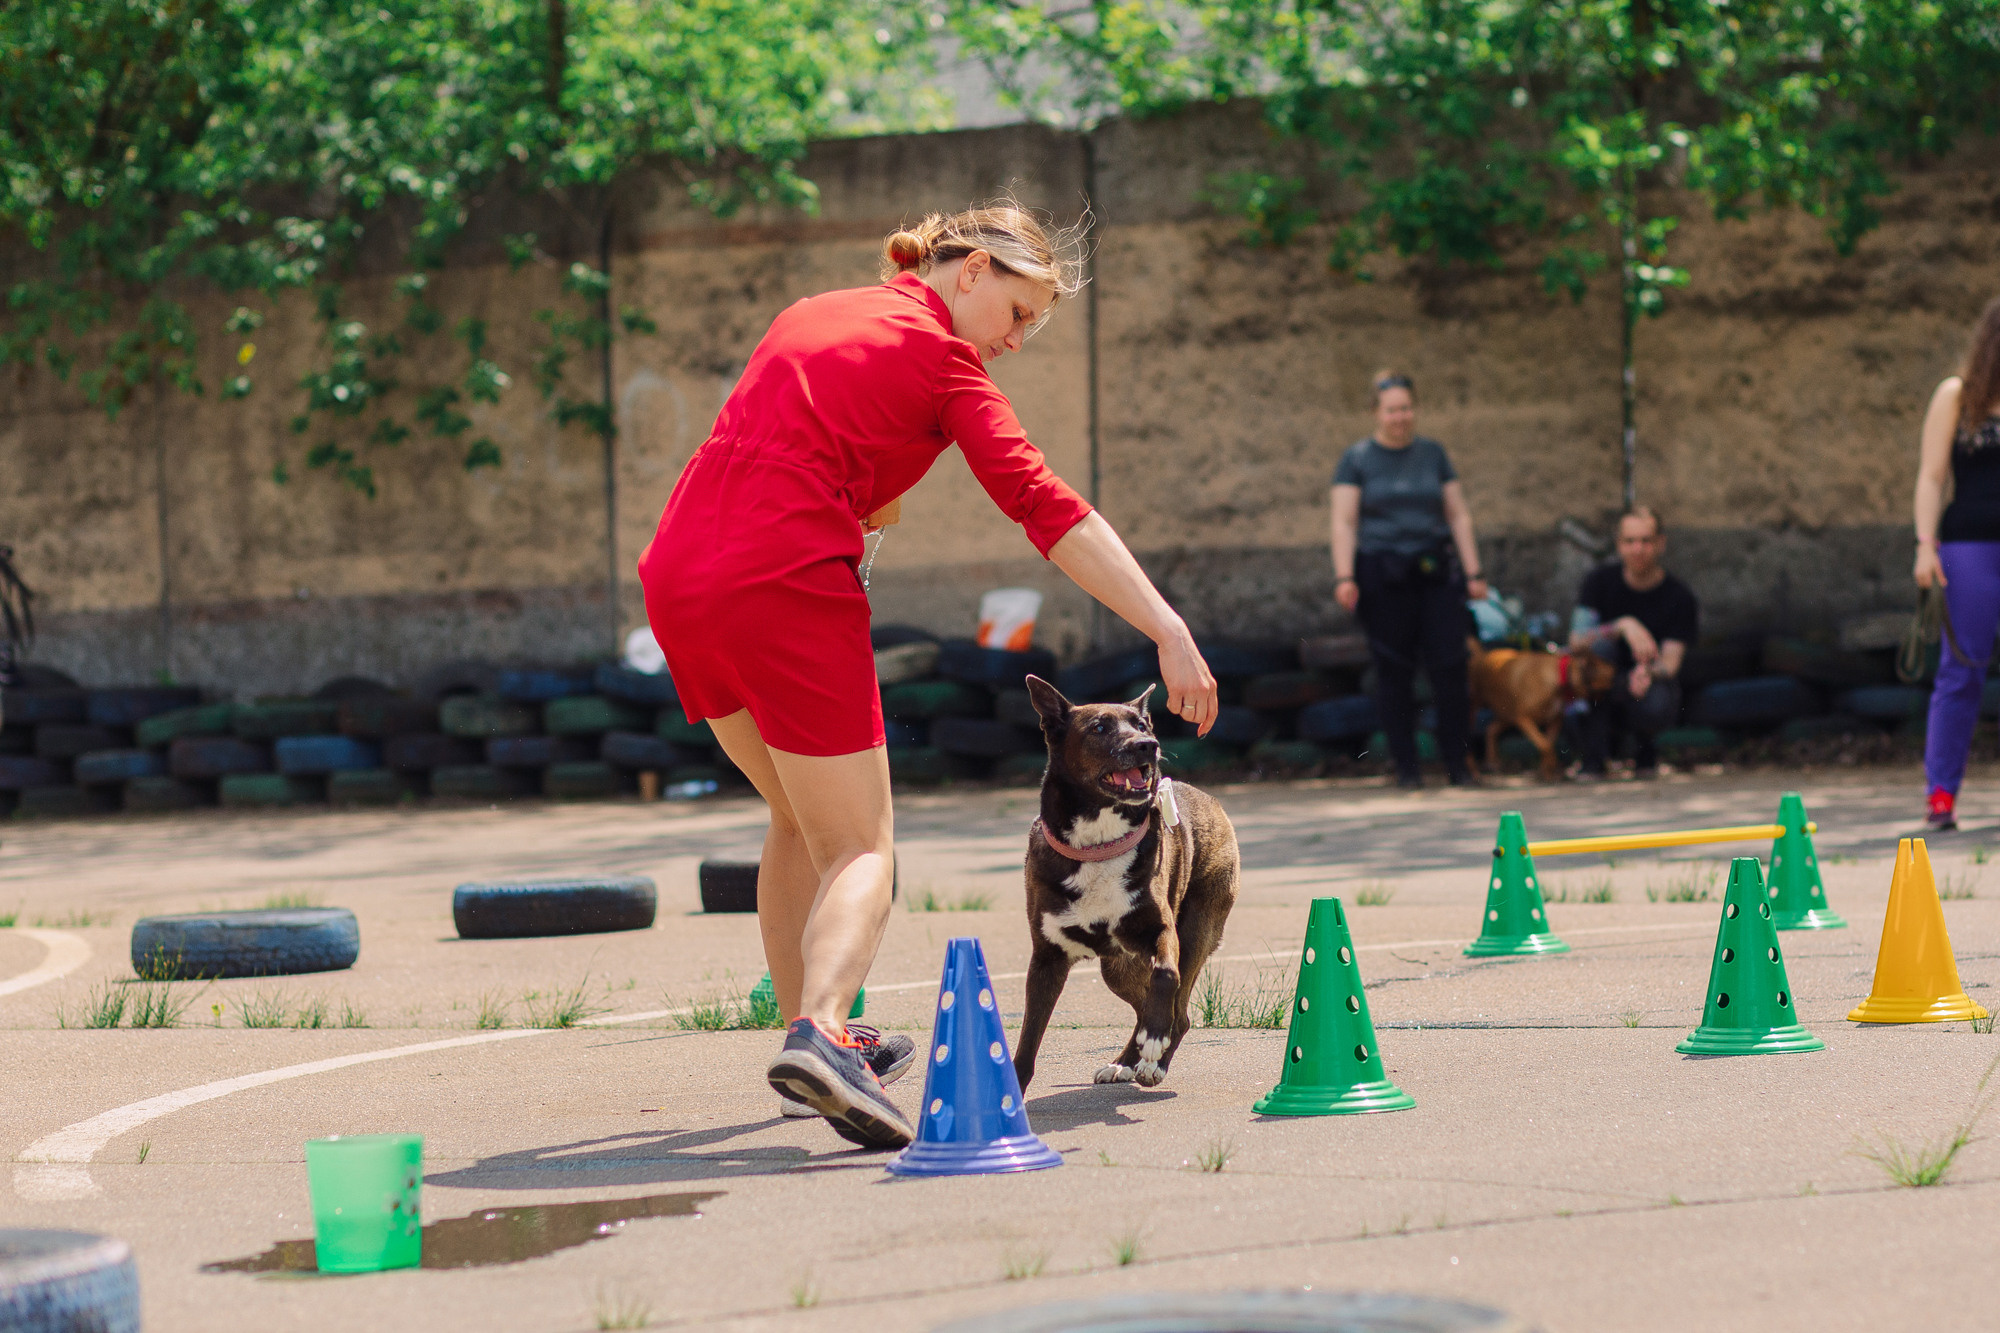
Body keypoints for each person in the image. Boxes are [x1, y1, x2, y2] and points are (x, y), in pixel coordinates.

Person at [636, 202, 1219, 1149]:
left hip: (680, 572)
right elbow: (1044, 504)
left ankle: (809, 1044)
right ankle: (823, 1035)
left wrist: (865, 506)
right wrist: (1166, 624)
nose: (1018, 341)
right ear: (972, 270)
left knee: (797, 819)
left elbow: (820, 450)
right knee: (864, 846)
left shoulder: (813, 310)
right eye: (1020, 314)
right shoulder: (948, 365)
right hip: (781, 576)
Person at [1331, 371, 1488, 788]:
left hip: (1434, 573)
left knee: (1450, 667)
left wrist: (1474, 573)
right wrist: (1345, 575)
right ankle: (1407, 769)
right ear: (1376, 413)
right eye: (1392, 409)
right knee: (1393, 672)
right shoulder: (1357, 459)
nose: (1400, 416)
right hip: (1382, 574)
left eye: (1406, 408)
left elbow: (1457, 514)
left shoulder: (1433, 454)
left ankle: (1458, 765)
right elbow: (1344, 521)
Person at [1913, 295, 2000, 831]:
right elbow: (1930, 475)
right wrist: (1925, 544)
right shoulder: (1958, 395)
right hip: (1970, 546)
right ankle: (1941, 793)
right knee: (1962, 671)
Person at [1569, 507, 1698, 779]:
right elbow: (1576, 641)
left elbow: (1670, 663)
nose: (1637, 549)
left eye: (1646, 540)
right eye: (1629, 541)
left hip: (1646, 682)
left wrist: (1647, 672)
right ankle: (1593, 757)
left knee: (1657, 699)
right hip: (1603, 679)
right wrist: (1622, 625)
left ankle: (1645, 753)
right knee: (1597, 653)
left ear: (1660, 543)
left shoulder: (1680, 596)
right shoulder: (1598, 583)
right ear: (1619, 545)